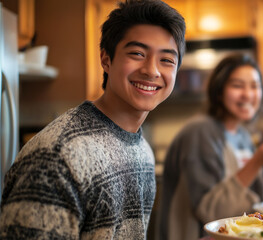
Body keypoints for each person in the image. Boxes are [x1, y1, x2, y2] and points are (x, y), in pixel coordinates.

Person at [0, 0, 185, 239]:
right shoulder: (59, 155)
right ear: (106, 59)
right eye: (137, 53)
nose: (152, 70)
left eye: (167, 60)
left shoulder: (142, 150)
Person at [159, 53, 263, 240]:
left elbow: (248, 203)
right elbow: (212, 213)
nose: (248, 94)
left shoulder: (243, 135)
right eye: (237, 85)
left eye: (255, 86)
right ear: (219, 92)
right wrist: (258, 161)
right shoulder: (200, 132)